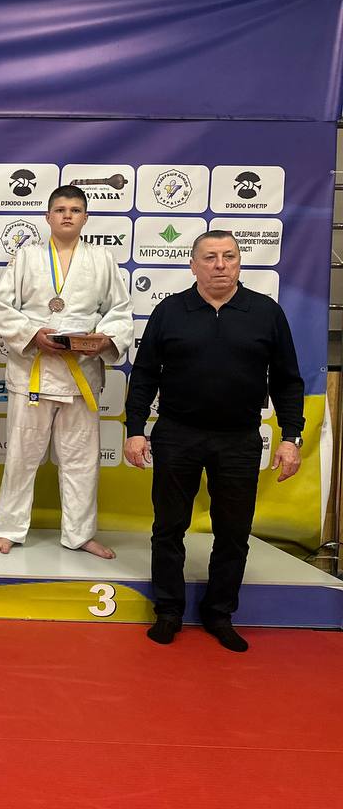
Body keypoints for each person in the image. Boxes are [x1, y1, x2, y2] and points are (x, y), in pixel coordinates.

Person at [125, 230, 303, 653]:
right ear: (193, 265)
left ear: (239, 263)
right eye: (210, 257)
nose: (220, 265)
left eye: (229, 256)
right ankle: (168, 611)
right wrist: (134, 430)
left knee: (234, 533)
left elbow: (287, 380)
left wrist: (291, 436)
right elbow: (145, 374)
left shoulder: (266, 312)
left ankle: (219, 613)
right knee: (169, 528)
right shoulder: (170, 311)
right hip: (177, 435)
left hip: (239, 439)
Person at [0, 185, 132, 559]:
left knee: (82, 461)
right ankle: (8, 529)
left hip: (81, 374)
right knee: (21, 457)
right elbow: (2, 306)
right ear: (48, 217)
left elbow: (119, 310)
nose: (68, 215)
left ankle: (80, 534)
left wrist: (104, 339)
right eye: (61, 209)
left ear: (85, 218)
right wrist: (32, 333)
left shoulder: (102, 259)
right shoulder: (26, 256)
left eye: (75, 210)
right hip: (33, 372)